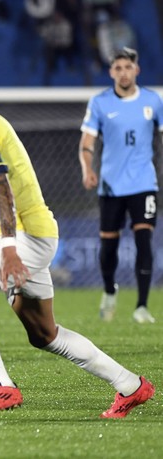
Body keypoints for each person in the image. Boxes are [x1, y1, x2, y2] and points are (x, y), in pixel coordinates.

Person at [0, 57, 154, 418]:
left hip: (25, 237)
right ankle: (131, 385)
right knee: (44, 334)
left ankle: (1, 386)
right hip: (27, 237)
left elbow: (2, 189)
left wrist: (8, 250)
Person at [79, 47, 162, 324]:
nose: (123, 73)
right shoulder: (100, 103)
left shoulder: (154, 100)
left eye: (128, 67)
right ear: (111, 72)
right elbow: (87, 144)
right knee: (109, 248)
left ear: (136, 70)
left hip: (144, 183)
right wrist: (88, 169)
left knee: (144, 241)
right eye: (118, 68)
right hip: (111, 186)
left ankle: (141, 306)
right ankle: (109, 289)